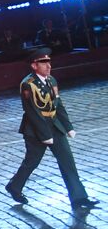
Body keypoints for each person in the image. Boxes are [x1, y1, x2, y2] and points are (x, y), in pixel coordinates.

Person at [6, 48, 98, 211]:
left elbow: (58, 105)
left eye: (49, 62)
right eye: (43, 63)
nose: (48, 66)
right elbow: (32, 112)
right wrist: (45, 135)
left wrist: (68, 127)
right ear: (34, 66)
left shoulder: (51, 80)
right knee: (32, 162)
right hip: (35, 130)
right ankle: (14, 186)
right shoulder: (28, 84)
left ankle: (79, 197)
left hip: (55, 126)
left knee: (68, 162)